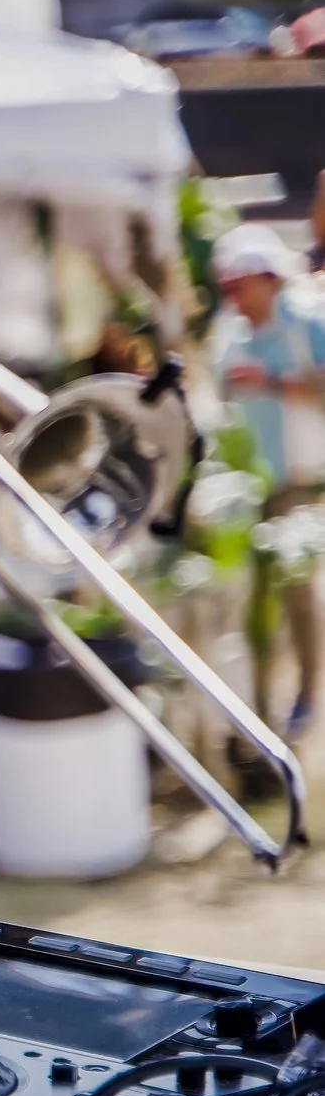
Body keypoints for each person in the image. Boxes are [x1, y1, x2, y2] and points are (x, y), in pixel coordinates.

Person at [209, 222, 325, 734]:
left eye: (240, 283)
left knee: (299, 589)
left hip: (310, 477)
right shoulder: (229, 334)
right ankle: (265, 703)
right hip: (262, 483)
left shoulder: (308, 322)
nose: (233, 294)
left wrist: (273, 383)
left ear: (267, 278)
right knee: (268, 595)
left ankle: (306, 691)